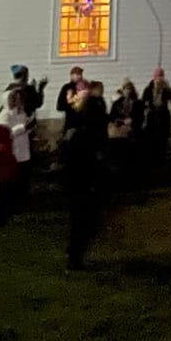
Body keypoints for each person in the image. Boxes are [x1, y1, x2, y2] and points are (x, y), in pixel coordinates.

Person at [64, 82, 108, 270]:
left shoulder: (77, 134)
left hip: (79, 185)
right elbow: (88, 161)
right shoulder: (86, 136)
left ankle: (76, 256)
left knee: (81, 223)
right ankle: (75, 258)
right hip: (84, 185)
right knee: (84, 223)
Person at [1, 89, 34, 208]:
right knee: (11, 180)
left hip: (23, 149)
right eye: (16, 99)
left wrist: (29, 127)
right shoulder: (6, 114)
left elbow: (24, 128)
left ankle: (21, 202)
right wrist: (22, 127)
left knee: (23, 178)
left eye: (21, 99)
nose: (19, 101)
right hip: (12, 151)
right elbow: (5, 133)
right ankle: (9, 204)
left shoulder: (23, 113)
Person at [142, 67, 171, 166]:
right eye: (158, 77)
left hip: (163, 117)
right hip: (152, 118)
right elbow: (143, 102)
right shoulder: (149, 89)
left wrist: (169, 89)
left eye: (162, 76)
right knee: (152, 141)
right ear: (154, 77)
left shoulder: (165, 89)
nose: (160, 79)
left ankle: (161, 162)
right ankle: (153, 162)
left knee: (162, 141)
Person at [57, 65, 88, 136]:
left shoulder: (84, 87)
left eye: (80, 74)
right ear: (71, 75)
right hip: (71, 123)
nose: (79, 76)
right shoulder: (66, 88)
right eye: (76, 74)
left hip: (83, 123)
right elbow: (60, 106)